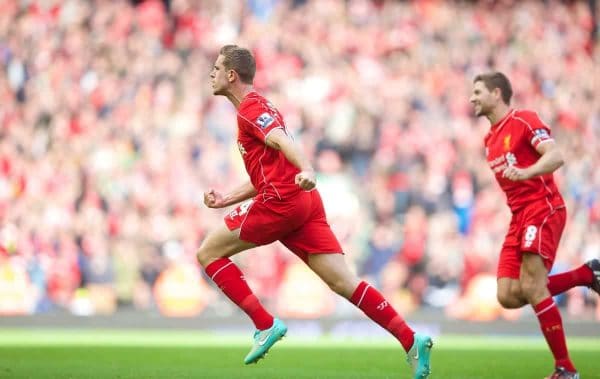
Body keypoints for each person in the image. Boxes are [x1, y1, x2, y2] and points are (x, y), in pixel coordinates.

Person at [197, 44, 433, 378]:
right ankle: (411, 340)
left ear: (231, 75)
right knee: (344, 282)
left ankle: (265, 324)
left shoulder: (250, 108)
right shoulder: (258, 106)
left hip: (282, 201)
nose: (212, 73)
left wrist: (307, 167)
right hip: (301, 200)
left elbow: (281, 141)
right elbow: (266, 172)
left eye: (217, 67)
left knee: (208, 253)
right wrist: (225, 199)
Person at [470, 71, 600, 379]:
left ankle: (565, 369)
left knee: (531, 286)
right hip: (519, 218)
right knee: (507, 294)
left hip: (543, 208)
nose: (472, 97)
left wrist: (528, 172)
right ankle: (586, 273)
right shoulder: (489, 140)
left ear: (497, 93)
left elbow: (555, 156)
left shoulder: (524, 120)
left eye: (478, 91)